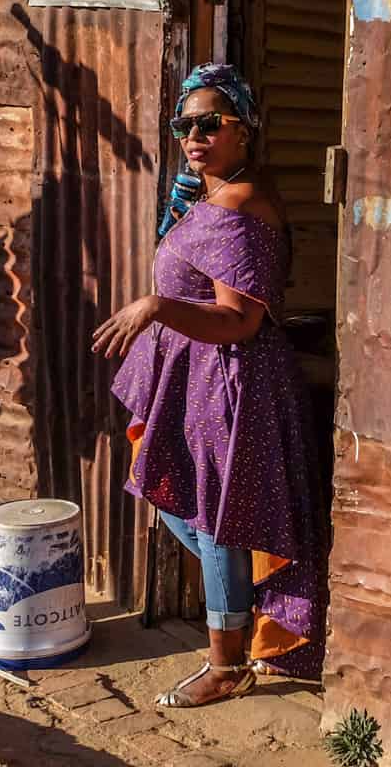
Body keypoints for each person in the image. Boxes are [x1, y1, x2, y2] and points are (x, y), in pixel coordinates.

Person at [93, 62, 325, 707]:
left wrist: (156, 308)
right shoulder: (211, 194)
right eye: (184, 125)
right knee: (186, 504)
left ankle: (226, 663)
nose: (194, 136)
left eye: (210, 124)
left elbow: (240, 319)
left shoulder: (243, 202)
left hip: (231, 382)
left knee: (217, 521)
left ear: (244, 130)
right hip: (194, 381)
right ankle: (239, 613)